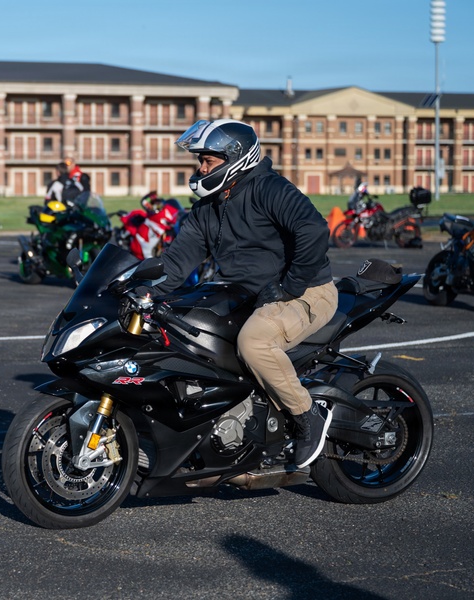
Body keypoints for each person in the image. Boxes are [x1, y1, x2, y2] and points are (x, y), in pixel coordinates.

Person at [142, 119, 338, 469]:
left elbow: (313, 230)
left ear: (235, 157)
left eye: (208, 161)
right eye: (199, 160)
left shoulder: (269, 189)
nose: (201, 168)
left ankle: (308, 416)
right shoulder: (207, 208)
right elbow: (176, 262)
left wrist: (289, 285)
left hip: (305, 291)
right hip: (247, 296)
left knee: (254, 342)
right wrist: (139, 289)